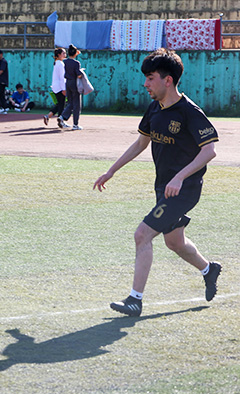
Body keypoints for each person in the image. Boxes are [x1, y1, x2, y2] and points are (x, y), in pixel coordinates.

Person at [93, 48, 221, 317]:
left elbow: (209, 151)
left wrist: (180, 177)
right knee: (174, 242)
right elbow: (141, 143)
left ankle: (134, 300)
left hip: (183, 189)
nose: (145, 84)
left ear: (168, 80)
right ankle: (209, 269)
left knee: (142, 234)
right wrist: (112, 170)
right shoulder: (154, 109)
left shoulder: (189, 112)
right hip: (164, 187)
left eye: (150, 78)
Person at [58, 45, 83, 130]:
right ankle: (75, 124)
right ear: (75, 53)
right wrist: (81, 73)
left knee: (70, 102)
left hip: (67, 83)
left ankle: (62, 117)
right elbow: (78, 75)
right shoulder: (76, 63)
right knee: (76, 104)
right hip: (74, 83)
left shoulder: (64, 61)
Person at [43, 48, 67, 126]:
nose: (65, 55)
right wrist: (64, 89)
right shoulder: (60, 64)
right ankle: (61, 121)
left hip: (56, 87)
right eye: (63, 53)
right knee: (61, 105)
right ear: (59, 55)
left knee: (60, 104)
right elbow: (62, 78)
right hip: (60, 87)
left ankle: (48, 116)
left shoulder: (57, 63)